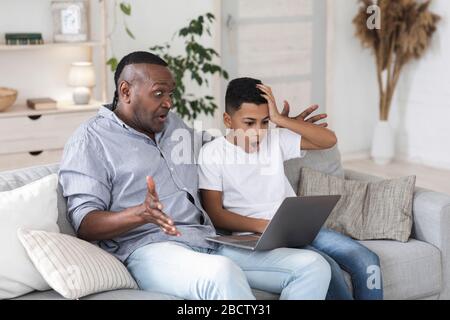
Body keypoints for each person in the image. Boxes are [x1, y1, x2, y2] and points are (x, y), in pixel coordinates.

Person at [59, 51, 332, 300]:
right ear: (126, 90)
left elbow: (218, 144)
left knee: (311, 267)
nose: (168, 102)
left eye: (171, 94)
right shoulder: (90, 140)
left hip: (207, 240)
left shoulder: (172, 125)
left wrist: (277, 128)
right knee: (220, 274)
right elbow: (85, 223)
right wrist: (139, 213)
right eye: (159, 93)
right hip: (150, 248)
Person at [198, 77, 383, 300]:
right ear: (228, 120)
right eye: (249, 123)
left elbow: (328, 140)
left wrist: (281, 120)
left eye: (265, 122)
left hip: (298, 228)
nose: (258, 131)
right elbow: (215, 214)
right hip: (258, 235)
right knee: (328, 268)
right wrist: (265, 226)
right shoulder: (212, 154)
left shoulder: (275, 140)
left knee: (367, 260)